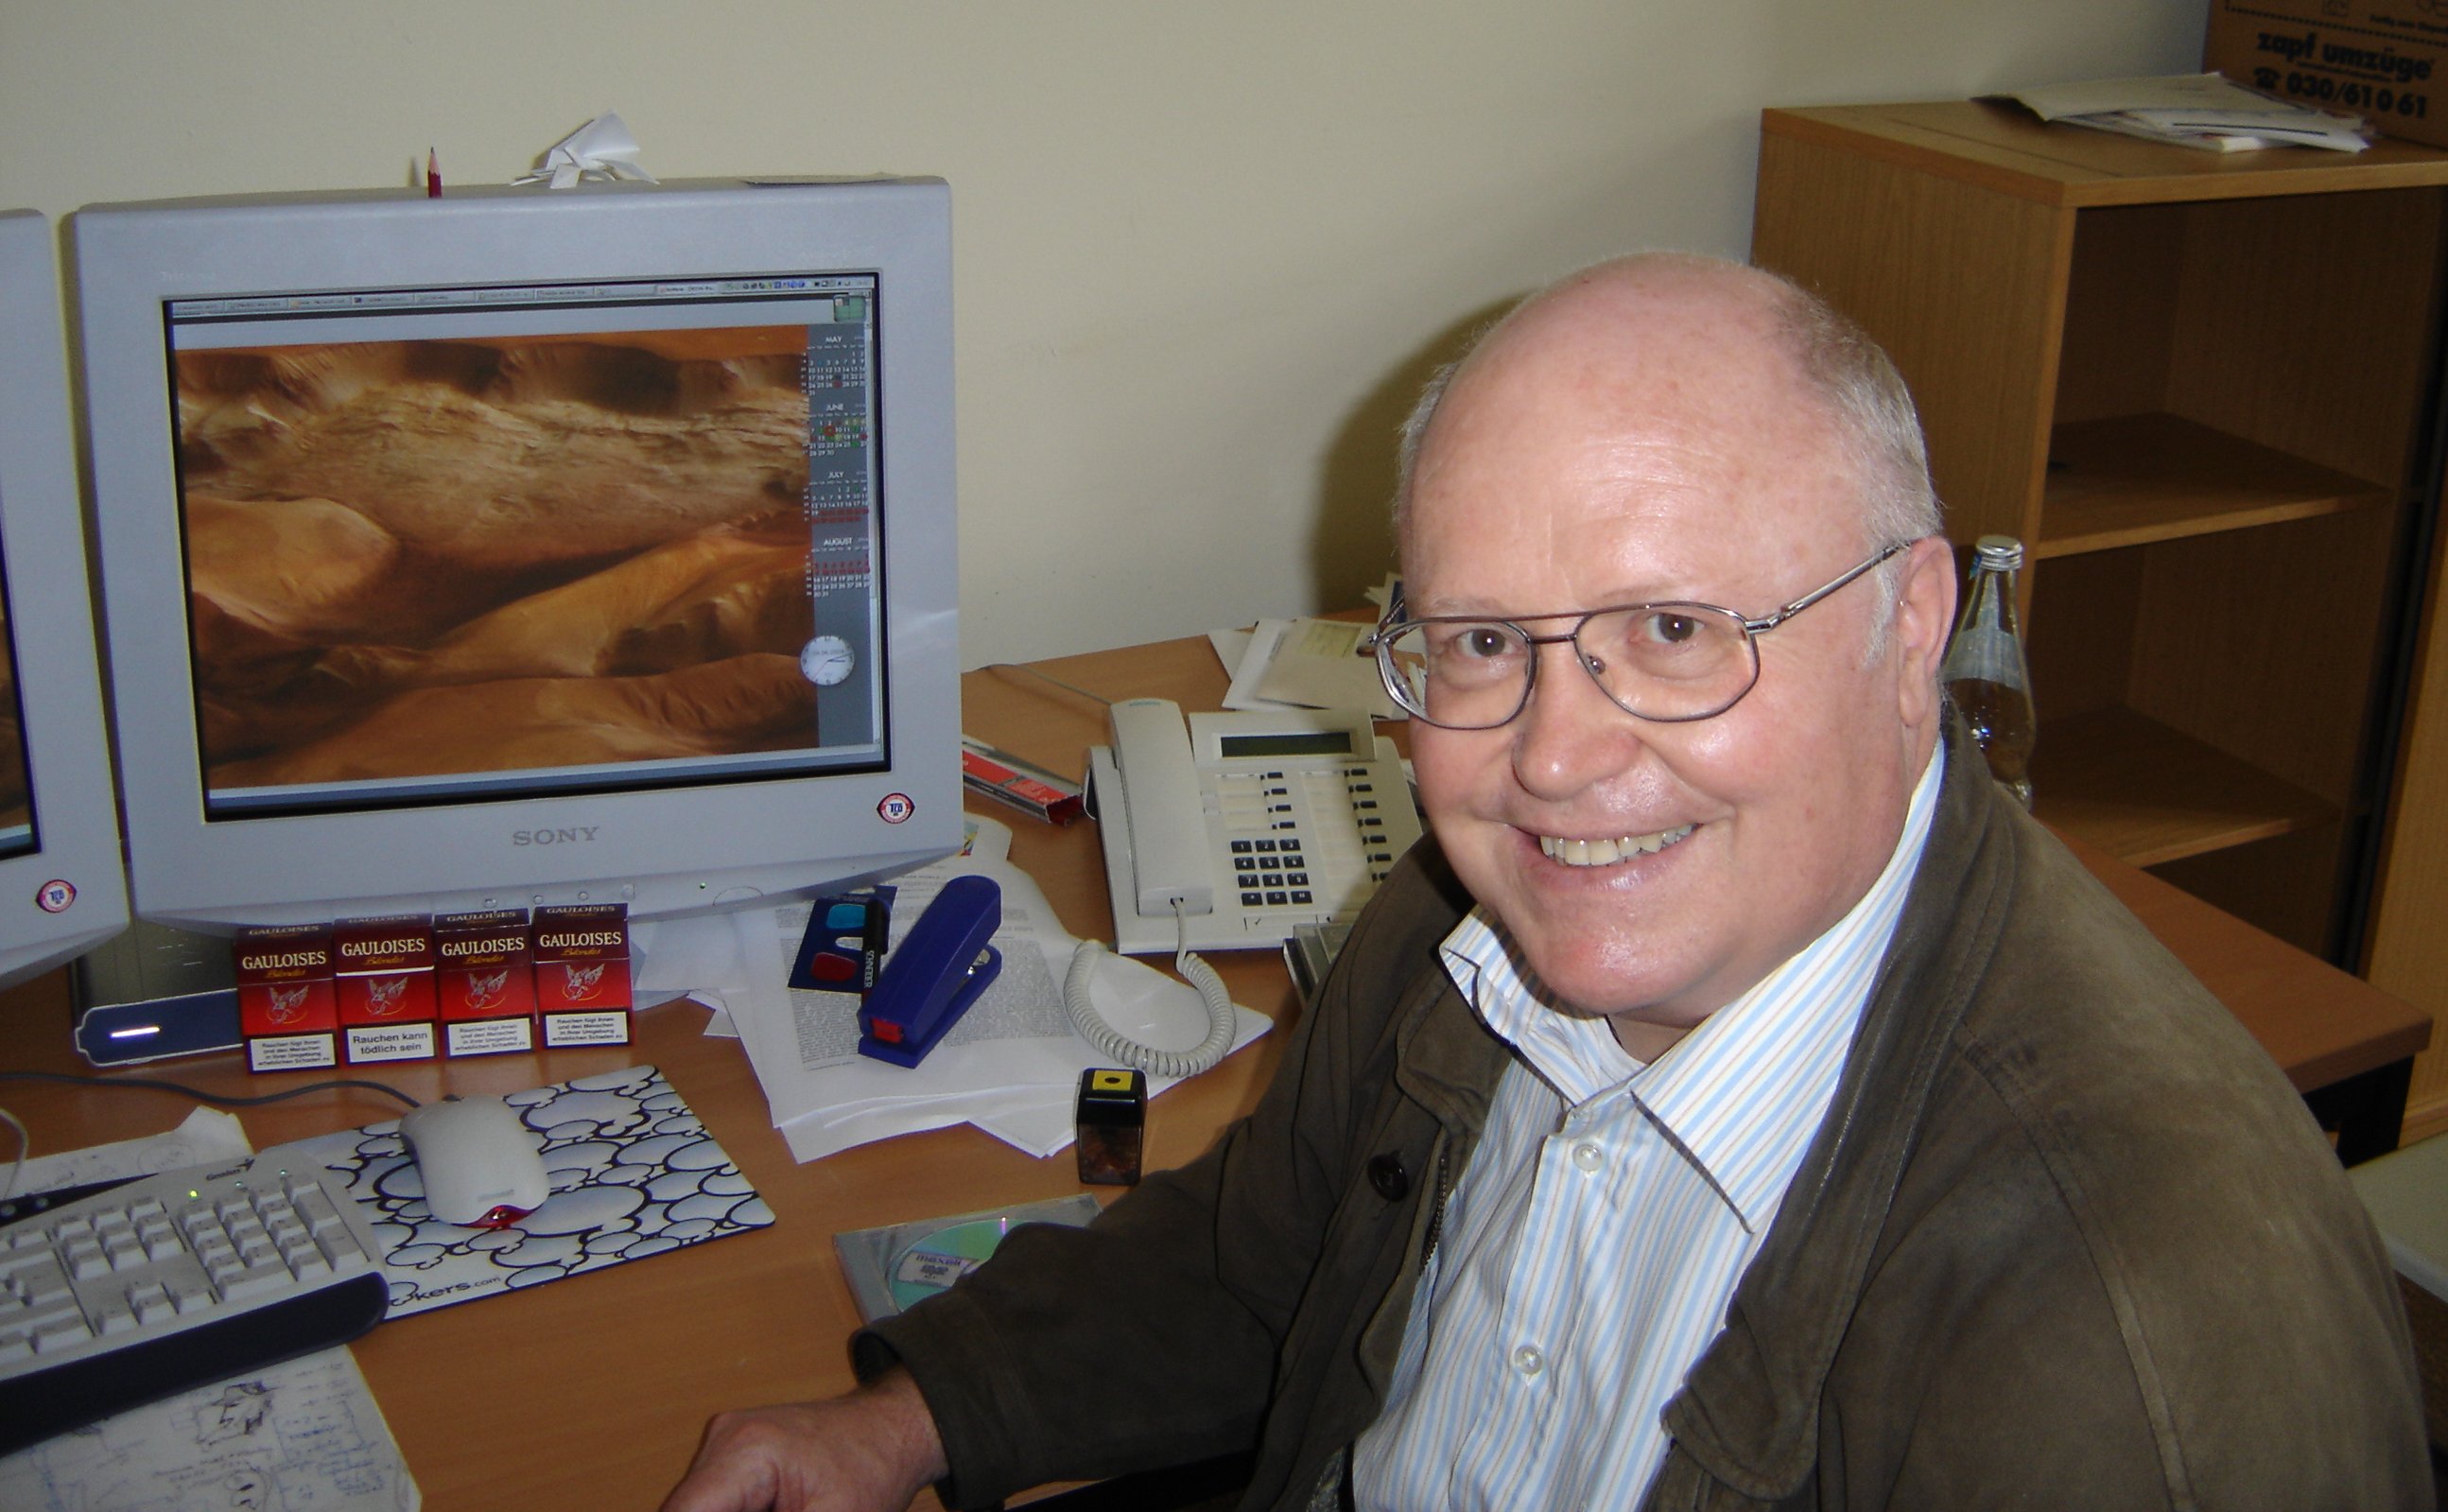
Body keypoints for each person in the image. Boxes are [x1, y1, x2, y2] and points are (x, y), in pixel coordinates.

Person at [663, 254, 2428, 1512]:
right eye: (1483, 642)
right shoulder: (1468, 919)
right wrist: (903, 1424)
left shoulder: (2130, 1354)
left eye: (1673, 632)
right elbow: (1258, 1262)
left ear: (1910, 631)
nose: (1553, 760)